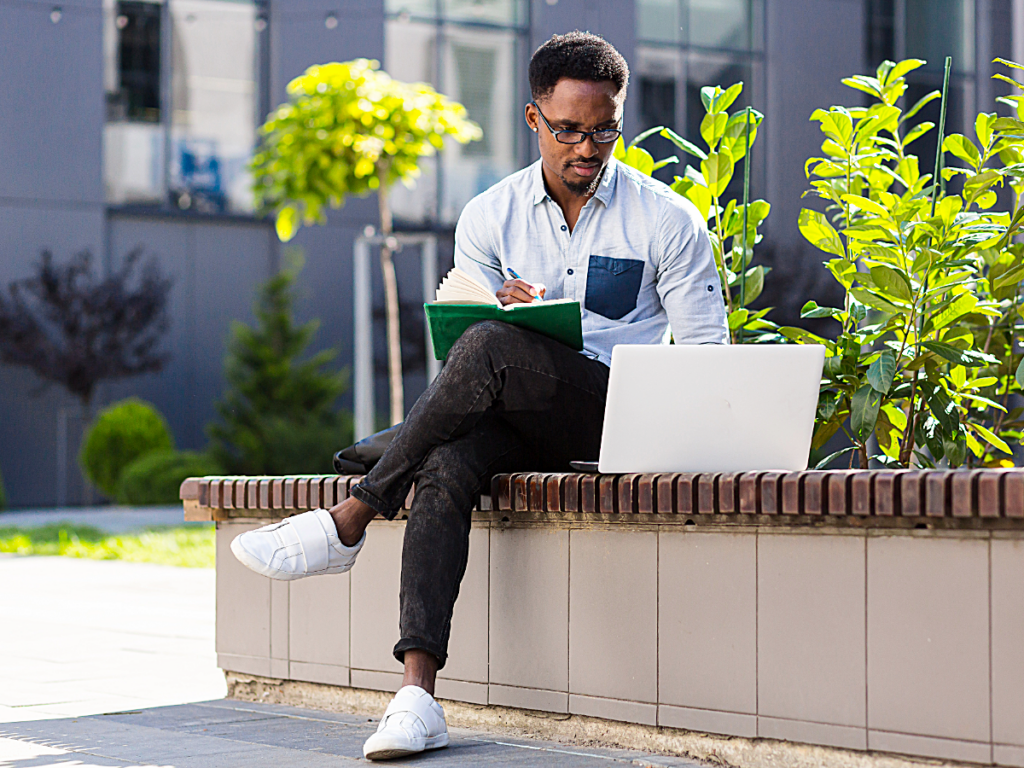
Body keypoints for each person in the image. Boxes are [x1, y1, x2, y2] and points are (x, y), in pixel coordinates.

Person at [229, 30, 727, 762]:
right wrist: (498, 304)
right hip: (511, 408)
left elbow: (707, 360)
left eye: (603, 130)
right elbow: (461, 351)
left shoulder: (667, 219)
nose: (587, 149)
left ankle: (351, 515)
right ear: (534, 121)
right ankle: (417, 697)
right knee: (450, 456)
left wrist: (505, 339)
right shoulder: (489, 217)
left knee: (492, 349)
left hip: (613, 414)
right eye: (569, 131)